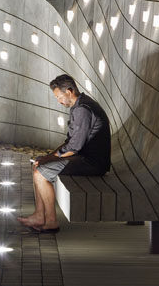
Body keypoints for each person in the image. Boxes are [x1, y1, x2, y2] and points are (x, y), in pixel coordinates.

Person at [17, 74, 111, 233]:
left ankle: (52, 221)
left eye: (59, 97)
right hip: (85, 158)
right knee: (38, 165)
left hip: (92, 163)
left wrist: (49, 158)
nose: (59, 101)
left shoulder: (82, 110)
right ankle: (40, 216)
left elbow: (74, 147)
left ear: (69, 91)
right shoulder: (80, 105)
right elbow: (70, 142)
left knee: (41, 172)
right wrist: (48, 156)